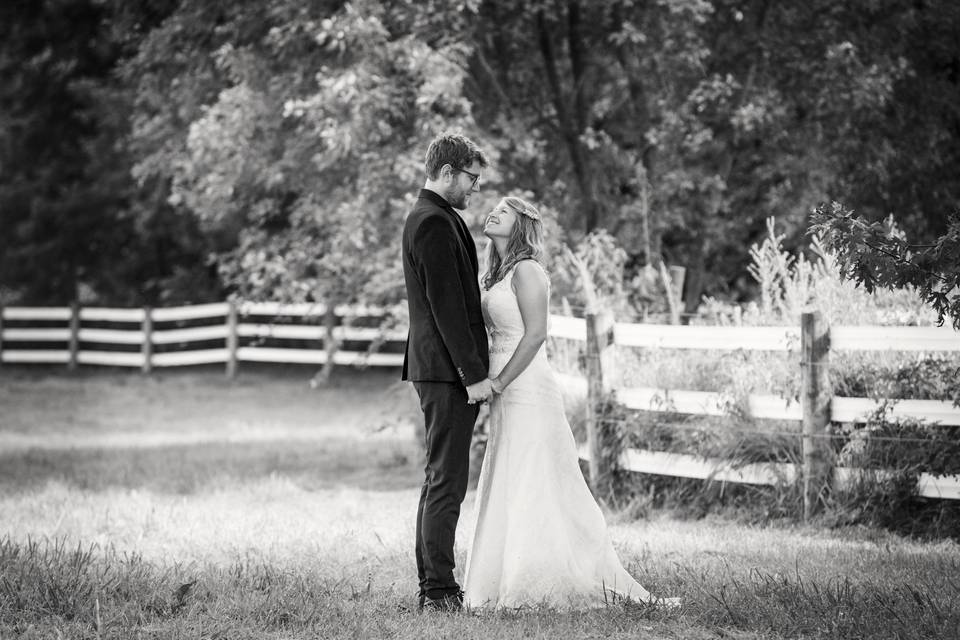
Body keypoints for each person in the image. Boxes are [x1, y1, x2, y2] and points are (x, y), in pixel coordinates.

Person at [462, 196, 679, 610]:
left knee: (535, 474)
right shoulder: (494, 273)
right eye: (492, 208)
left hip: (526, 384)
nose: (492, 213)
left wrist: (500, 382)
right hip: (503, 389)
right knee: (511, 473)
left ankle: (536, 581)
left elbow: (536, 334)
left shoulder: (527, 270)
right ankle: (502, 578)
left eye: (503, 211)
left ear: (521, 223)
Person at [401, 132, 492, 612]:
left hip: (441, 369)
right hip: (445, 371)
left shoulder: (439, 217)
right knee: (448, 480)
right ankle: (437, 590)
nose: (475, 188)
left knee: (440, 476)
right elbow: (448, 309)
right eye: (472, 178)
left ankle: (433, 585)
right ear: (448, 171)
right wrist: (472, 373)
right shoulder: (431, 223)